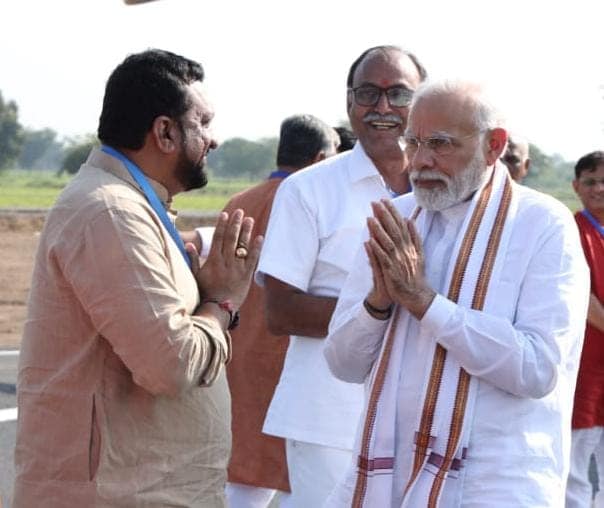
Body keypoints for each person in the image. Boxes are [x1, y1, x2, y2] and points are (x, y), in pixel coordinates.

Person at [13, 49, 262, 507]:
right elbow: (170, 364)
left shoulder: (131, 204)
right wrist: (222, 303)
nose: (214, 139)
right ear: (165, 132)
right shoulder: (111, 211)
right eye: (204, 122)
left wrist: (202, 294)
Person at [323, 80, 589, 507]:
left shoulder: (543, 225)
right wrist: (378, 304)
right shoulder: (397, 220)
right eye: (413, 142)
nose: (420, 161)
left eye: (441, 144)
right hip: (389, 477)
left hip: (496, 484)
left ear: (493, 145)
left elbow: (538, 369)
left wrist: (425, 303)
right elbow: (343, 364)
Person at [255, 45, 427, 507]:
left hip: (420, 417)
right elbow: (280, 311)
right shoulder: (308, 189)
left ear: (423, 103)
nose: (383, 107)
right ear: (350, 102)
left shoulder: (443, 191)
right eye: (368, 93)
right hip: (328, 418)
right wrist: (388, 307)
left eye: (399, 95)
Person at [208, 114, 339, 508]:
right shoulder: (315, 204)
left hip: (239, 354)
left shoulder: (240, 204)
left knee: (245, 475)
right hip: (292, 359)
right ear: (320, 160)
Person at [566, 151, 604, 508]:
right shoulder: (572, 230)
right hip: (587, 362)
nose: (599, 188)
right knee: (576, 460)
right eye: (591, 181)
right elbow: (581, 295)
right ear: (576, 186)